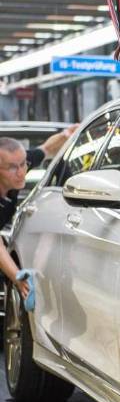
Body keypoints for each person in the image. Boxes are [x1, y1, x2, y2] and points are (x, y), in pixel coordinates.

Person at [0, 126, 77, 298]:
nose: (21, 173)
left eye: (23, 164)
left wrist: (67, 134)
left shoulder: (20, 163)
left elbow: (47, 149)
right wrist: (18, 278)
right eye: (12, 168)